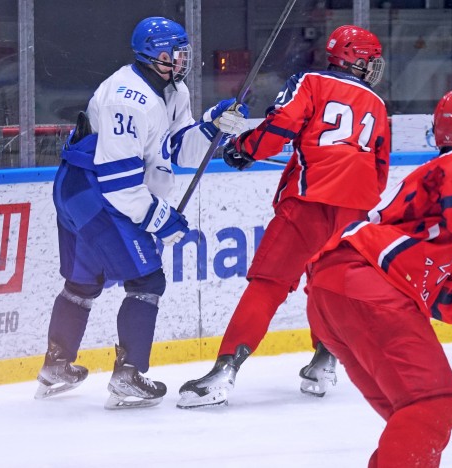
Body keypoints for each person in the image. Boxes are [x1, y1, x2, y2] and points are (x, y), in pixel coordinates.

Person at [305, 89, 452, 466]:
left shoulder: (432, 223)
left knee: (416, 420)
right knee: (432, 405)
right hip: (366, 286)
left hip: (337, 294)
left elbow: (445, 298)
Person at [34, 17, 248, 409]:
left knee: (85, 280)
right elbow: (119, 185)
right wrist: (159, 218)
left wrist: (214, 127)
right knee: (147, 279)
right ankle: (128, 375)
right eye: (177, 52)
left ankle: (56, 367)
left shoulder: (173, 91)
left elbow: (180, 150)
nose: (184, 59)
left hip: (84, 188)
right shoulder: (127, 99)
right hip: (92, 191)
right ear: (158, 54)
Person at [178, 25, 390, 409]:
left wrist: (243, 149)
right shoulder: (376, 103)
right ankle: (325, 361)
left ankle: (223, 372)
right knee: (330, 287)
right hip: (356, 211)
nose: (374, 68)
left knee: (268, 285)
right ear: (356, 59)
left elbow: (280, 127)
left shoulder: (310, 81)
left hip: (309, 201)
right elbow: (380, 169)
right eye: (370, 60)